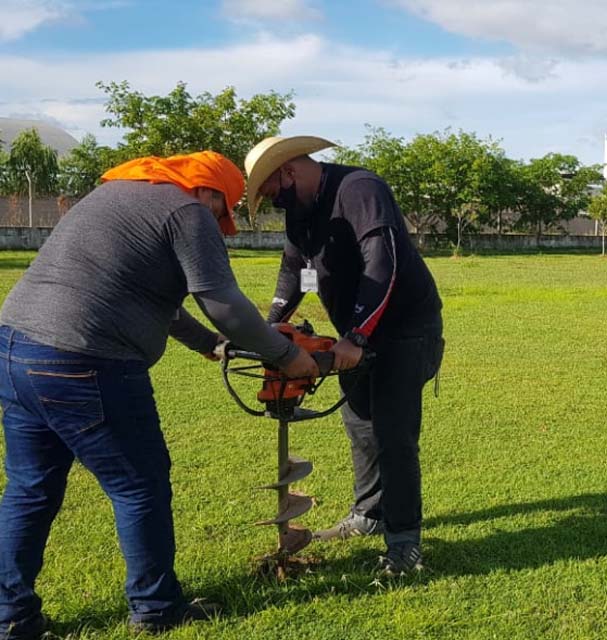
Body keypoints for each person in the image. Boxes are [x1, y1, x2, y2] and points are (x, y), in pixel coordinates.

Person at [0, 152, 319, 639]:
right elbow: (221, 300)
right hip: (88, 361)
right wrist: (286, 354)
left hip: (14, 350)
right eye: (223, 210)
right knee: (138, 484)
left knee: (31, 490)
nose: (219, 221)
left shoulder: (113, 196)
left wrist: (212, 345)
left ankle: (11, 617)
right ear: (210, 191)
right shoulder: (188, 210)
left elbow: (158, 303)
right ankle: (156, 608)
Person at [244, 136, 444, 576]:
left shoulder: (359, 189)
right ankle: (369, 515)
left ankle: (404, 543)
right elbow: (295, 270)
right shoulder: (302, 211)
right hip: (353, 337)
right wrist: (270, 325)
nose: (276, 203)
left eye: (274, 193)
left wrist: (355, 335)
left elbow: (382, 261)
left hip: (406, 331)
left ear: (289, 171)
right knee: (359, 425)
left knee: (394, 436)